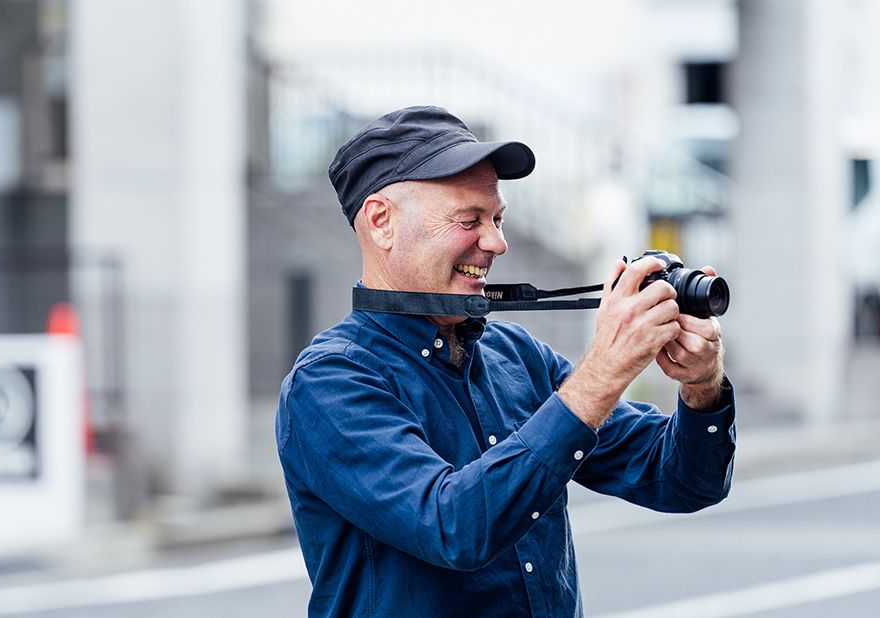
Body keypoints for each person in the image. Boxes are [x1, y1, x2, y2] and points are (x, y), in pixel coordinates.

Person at [276, 105, 735, 618]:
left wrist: (702, 389)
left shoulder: (515, 355)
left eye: (497, 218)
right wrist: (603, 372)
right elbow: (454, 528)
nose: (497, 242)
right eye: (469, 220)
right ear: (382, 222)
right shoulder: (330, 382)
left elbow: (681, 480)